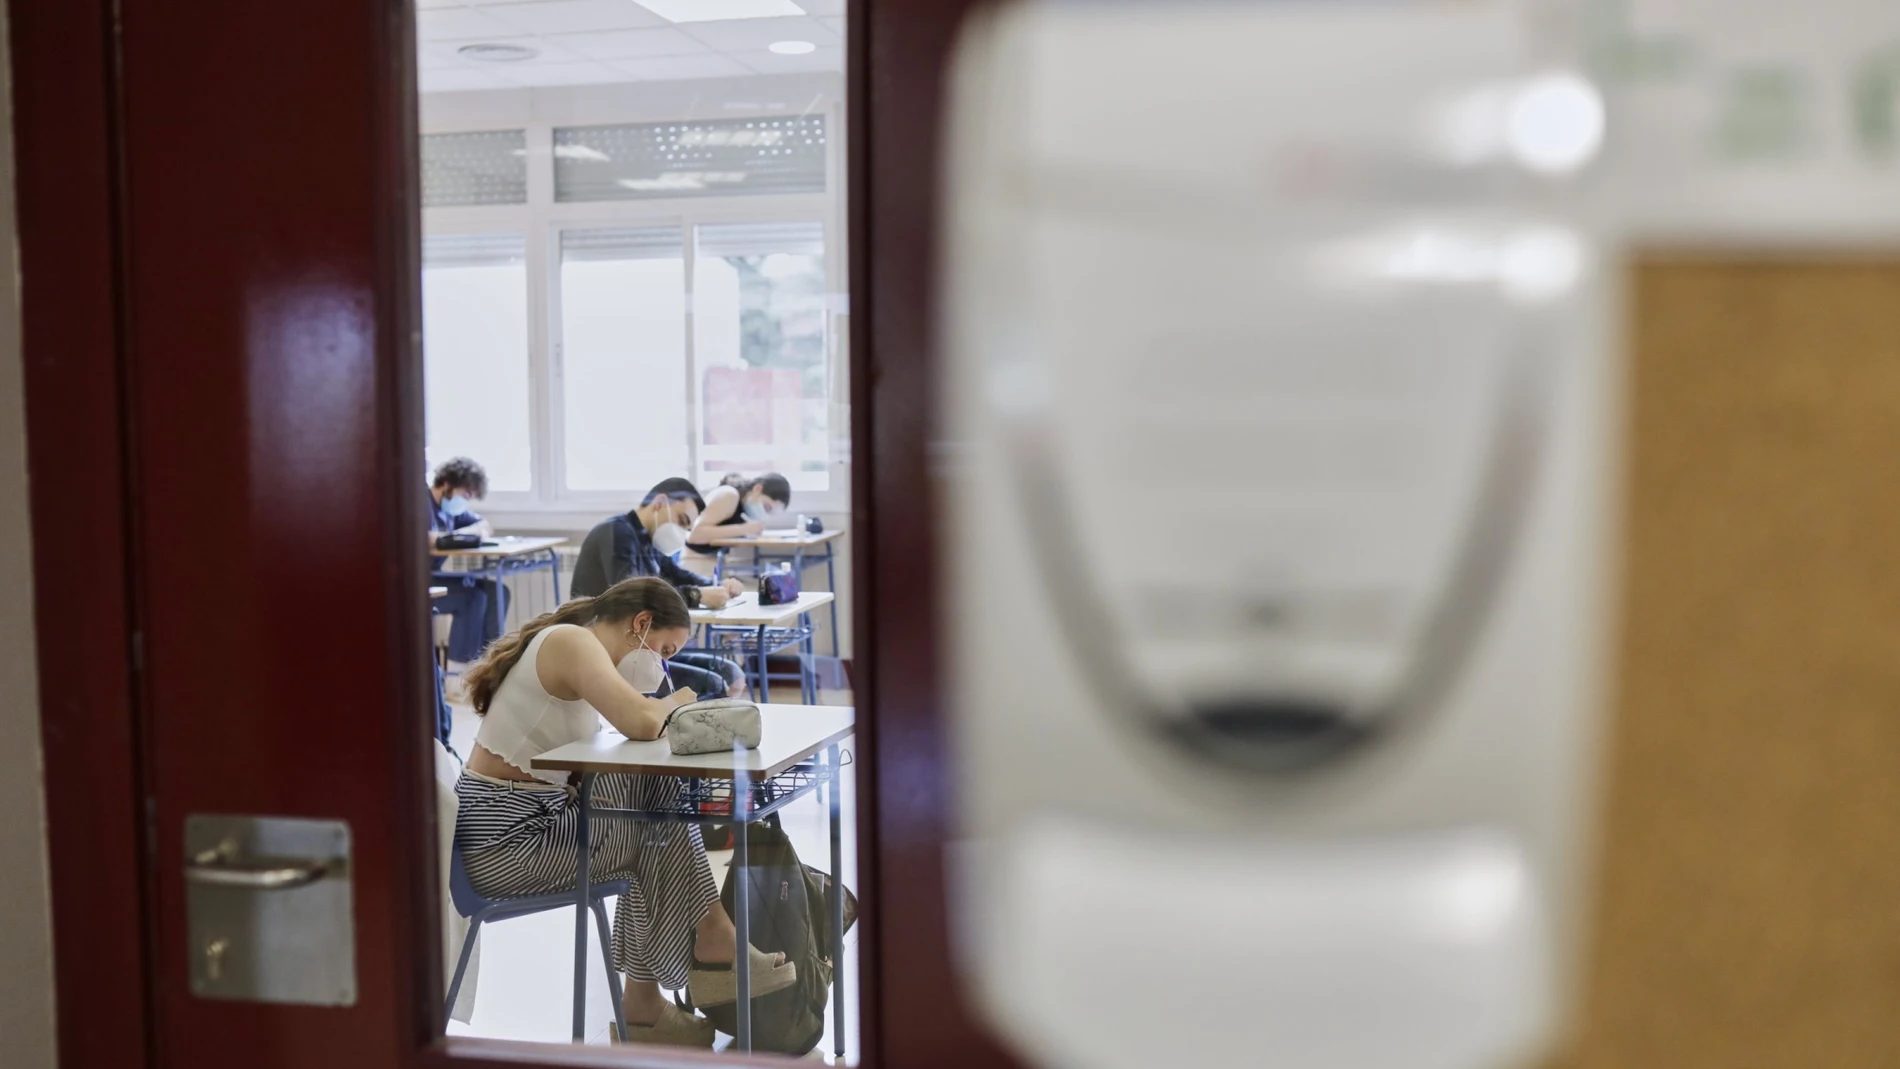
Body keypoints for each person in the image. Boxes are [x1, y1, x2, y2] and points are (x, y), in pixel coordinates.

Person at [455, 578, 796, 1047]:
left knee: (652, 812)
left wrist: (658, 710)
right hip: (507, 842)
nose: (664, 664)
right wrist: (678, 699)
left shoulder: (574, 641)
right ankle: (699, 951)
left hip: (520, 825)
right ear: (640, 625)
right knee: (652, 806)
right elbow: (638, 722)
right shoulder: (572, 642)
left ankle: (654, 996)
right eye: (666, 649)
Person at [570, 478, 749, 700]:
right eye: (682, 521)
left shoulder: (647, 540)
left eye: (687, 528)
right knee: (714, 684)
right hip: (613, 654)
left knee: (732, 673)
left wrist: (719, 586)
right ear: (660, 502)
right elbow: (637, 597)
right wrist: (697, 595)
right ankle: (674, 730)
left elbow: (676, 573)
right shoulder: (616, 533)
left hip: (644, 649)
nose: (682, 532)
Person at [428, 457, 503, 666]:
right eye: (465, 495)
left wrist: (463, 534)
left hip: (437, 577)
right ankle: (458, 676)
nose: (465, 502)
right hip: (419, 584)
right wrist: (456, 537)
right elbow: (425, 539)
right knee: (472, 599)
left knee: (497, 593)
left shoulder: (450, 512)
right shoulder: (421, 504)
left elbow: (485, 526)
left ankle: (490, 667)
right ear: (447, 484)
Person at [684, 472, 793, 559]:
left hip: (715, 561)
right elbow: (695, 535)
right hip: (695, 560)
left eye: (770, 513)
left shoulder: (743, 510)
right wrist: (744, 529)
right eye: (767, 507)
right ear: (757, 489)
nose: (764, 515)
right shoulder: (729, 495)